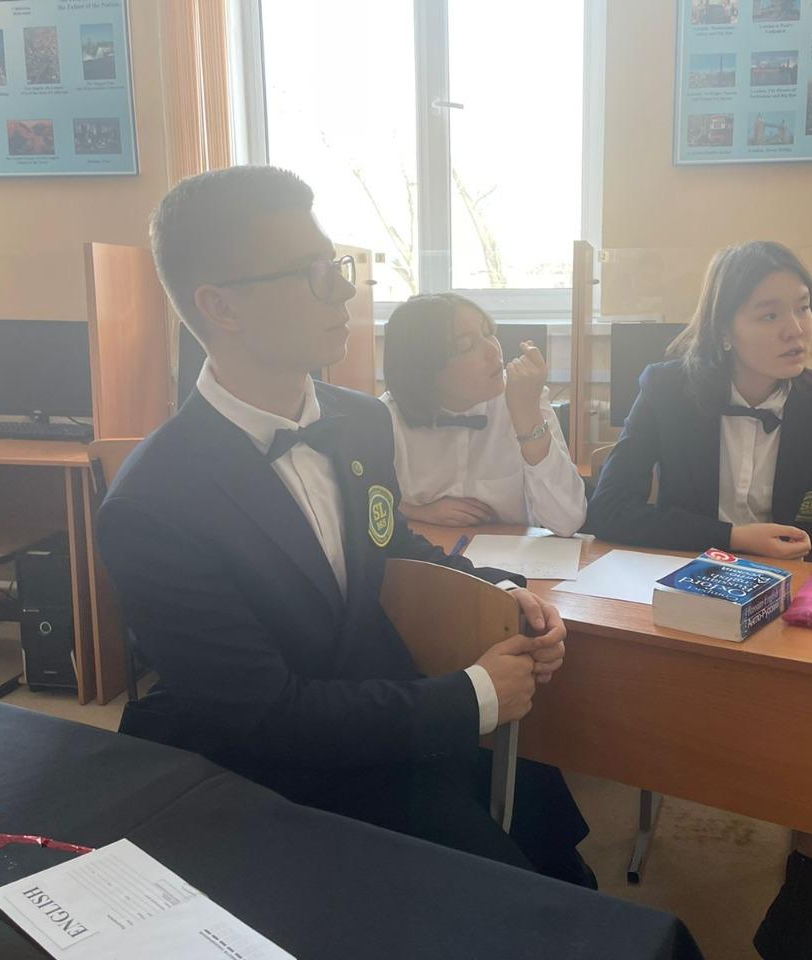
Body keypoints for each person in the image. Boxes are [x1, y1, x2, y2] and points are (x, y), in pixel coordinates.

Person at [97, 165, 594, 887]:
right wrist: (473, 696)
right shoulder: (152, 504)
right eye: (315, 274)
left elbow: (387, 545)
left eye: (339, 268)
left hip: (384, 705)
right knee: (522, 905)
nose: (344, 292)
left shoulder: (358, 420)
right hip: (275, 770)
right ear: (221, 308)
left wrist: (495, 589)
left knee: (562, 858)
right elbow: (263, 716)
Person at [587, 241, 812, 959]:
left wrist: (784, 573)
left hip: (791, 609)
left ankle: (807, 916)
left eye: (803, 307)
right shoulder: (667, 386)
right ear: (724, 327)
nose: (795, 329)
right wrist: (730, 539)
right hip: (692, 608)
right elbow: (609, 509)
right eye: (769, 314)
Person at [380, 293, 586, 537]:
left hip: (511, 556)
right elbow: (360, 503)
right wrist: (416, 512)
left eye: (488, 333)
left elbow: (567, 521)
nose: (493, 350)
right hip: (425, 552)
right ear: (423, 366)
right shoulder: (386, 416)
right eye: (466, 345)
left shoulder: (524, 395)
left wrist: (527, 417)